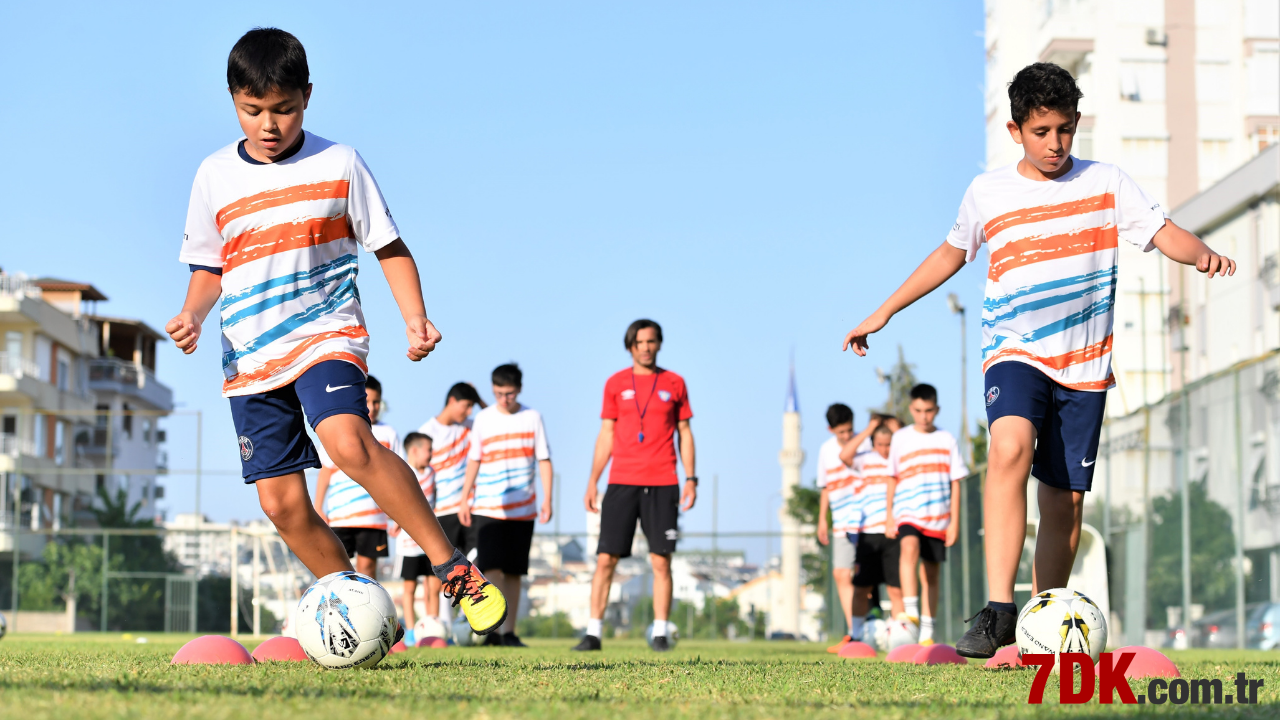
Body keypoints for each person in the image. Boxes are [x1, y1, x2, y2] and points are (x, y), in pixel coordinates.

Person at [842, 62, 1235, 657]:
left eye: (1066, 131)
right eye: (1042, 131)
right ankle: (999, 609)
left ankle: (1041, 621)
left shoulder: (1106, 182)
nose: (1055, 145)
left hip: (1083, 364)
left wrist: (1200, 253)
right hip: (1015, 350)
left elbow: (1162, 232)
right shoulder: (988, 193)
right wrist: (884, 310)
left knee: (1064, 503)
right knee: (1008, 448)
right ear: (1015, 129)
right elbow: (949, 256)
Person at [167, 27, 505, 638]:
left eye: (284, 109)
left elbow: (390, 247)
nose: (269, 125)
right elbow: (208, 266)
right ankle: (365, 615)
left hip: (327, 333)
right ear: (233, 100)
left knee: (348, 443)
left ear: (307, 97)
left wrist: (414, 316)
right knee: (282, 505)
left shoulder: (339, 162)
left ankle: (452, 567)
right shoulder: (213, 175)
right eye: (253, 111)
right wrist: (192, 313)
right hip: (248, 353)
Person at [576, 319, 696, 653]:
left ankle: (660, 632)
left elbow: (685, 433)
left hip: (663, 483)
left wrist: (691, 478)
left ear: (659, 344)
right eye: (639, 342)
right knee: (606, 560)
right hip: (621, 482)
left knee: (661, 561)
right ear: (630, 346)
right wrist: (592, 480)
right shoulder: (615, 383)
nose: (645, 347)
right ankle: (593, 633)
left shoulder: (675, 383)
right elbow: (606, 434)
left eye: (651, 341)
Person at [458, 364, 553, 647]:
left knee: (514, 571)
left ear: (519, 390)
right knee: (492, 568)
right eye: (499, 393)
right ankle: (493, 631)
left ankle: (509, 632)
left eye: (509, 393)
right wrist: (465, 497)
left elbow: (544, 460)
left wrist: (548, 498)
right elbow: (474, 459)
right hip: (488, 506)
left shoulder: (533, 417)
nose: (504, 399)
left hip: (523, 508)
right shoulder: (483, 419)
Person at [883, 384, 967, 646]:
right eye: (918, 410)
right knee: (909, 546)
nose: (924, 416)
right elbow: (892, 477)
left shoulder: (947, 439)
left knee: (931, 574)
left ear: (937, 409)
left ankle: (927, 633)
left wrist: (954, 521)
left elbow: (956, 482)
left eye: (928, 410)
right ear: (911, 409)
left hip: (938, 517)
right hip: (908, 510)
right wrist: (888, 515)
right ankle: (911, 613)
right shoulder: (901, 438)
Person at [313, 375, 399, 578]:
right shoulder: (338, 428)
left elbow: (395, 474)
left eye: (376, 402)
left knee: (368, 571)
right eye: (367, 401)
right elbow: (326, 470)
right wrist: (318, 507)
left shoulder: (389, 433)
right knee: (337, 571)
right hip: (341, 514)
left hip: (374, 517)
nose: (373, 406)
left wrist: (395, 515)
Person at [419, 382, 485, 557]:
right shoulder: (426, 432)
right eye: (466, 406)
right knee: (447, 572)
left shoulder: (471, 427)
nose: (470, 411)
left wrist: (478, 398)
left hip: (470, 509)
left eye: (473, 406)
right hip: (441, 512)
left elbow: (495, 420)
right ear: (452, 401)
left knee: (477, 565)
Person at [815, 403, 861, 653]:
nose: (845, 437)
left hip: (865, 519)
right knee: (841, 574)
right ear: (830, 429)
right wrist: (823, 518)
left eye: (849, 431)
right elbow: (826, 487)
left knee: (864, 577)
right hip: (840, 521)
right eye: (840, 432)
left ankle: (869, 628)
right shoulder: (825, 450)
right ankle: (853, 632)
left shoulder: (864, 444)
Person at [390, 431, 437, 646]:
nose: (431, 455)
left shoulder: (432, 474)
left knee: (432, 586)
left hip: (428, 542)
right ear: (415, 450)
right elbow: (399, 499)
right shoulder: (402, 471)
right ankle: (410, 631)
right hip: (408, 545)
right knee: (410, 588)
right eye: (429, 450)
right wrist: (397, 522)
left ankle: (433, 629)